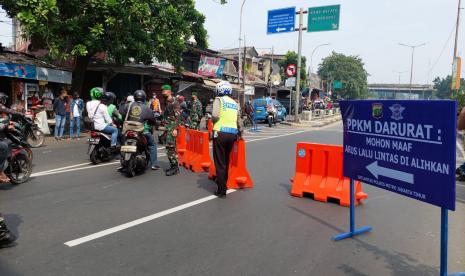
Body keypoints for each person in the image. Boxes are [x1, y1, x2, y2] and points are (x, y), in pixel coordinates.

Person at [212, 81, 243, 198]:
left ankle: (221, 190)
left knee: (220, 162)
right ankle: (223, 183)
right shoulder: (235, 103)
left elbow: (215, 115)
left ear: (219, 90)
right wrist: (241, 133)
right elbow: (239, 120)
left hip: (220, 133)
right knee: (226, 160)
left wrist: (213, 122)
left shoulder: (219, 100)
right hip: (232, 135)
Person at [119, 90, 160, 170]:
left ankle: (123, 163)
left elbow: (123, 117)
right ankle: (154, 164)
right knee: (152, 145)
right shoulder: (147, 108)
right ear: (144, 98)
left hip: (127, 130)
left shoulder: (128, 105)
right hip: (141, 131)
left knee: (123, 144)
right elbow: (152, 121)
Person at [161, 84, 181, 176]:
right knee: (169, 147)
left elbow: (178, 116)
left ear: (168, 91)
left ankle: (175, 167)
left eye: (163, 91)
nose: (162, 92)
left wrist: (175, 129)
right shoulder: (167, 102)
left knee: (171, 147)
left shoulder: (174, 102)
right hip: (168, 127)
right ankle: (173, 165)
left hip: (173, 127)